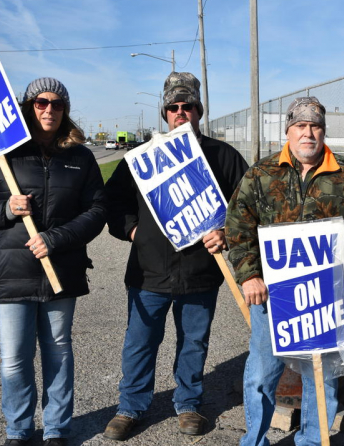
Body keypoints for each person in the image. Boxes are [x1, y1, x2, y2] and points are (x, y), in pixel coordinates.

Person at [0, 77, 108, 446]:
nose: (48, 109)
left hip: (62, 269)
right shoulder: (2, 153)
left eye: (56, 103)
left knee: (58, 351)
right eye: (40, 102)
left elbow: (97, 210)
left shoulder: (81, 157)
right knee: (14, 359)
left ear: (65, 109)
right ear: (27, 106)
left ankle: (56, 429)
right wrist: (5, 208)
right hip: (12, 272)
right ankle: (18, 431)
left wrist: (55, 239)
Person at [225, 96, 344, 446]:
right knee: (263, 373)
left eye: (315, 126)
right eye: (300, 125)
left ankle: (312, 440)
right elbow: (238, 224)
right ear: (288, 130)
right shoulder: (262, 174)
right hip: (272, 296)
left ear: (323, 131)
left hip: (325, 296)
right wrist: (249, 274)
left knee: (321, 376)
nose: (308, 132)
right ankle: (255, 440)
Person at [103, 72, 249, 440]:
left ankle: (189, 404)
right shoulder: (141, 158)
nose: (180, 112)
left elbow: (247, 208)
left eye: (188, 106)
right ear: (165, 112)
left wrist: (226, 234)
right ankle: (130, 407)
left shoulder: (223, 156)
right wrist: (134, 231)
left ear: (199, 110)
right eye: (173, 107)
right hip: (148, 273)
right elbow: (112, 203)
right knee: (139, 343)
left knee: (194, 342)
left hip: (201, 272)